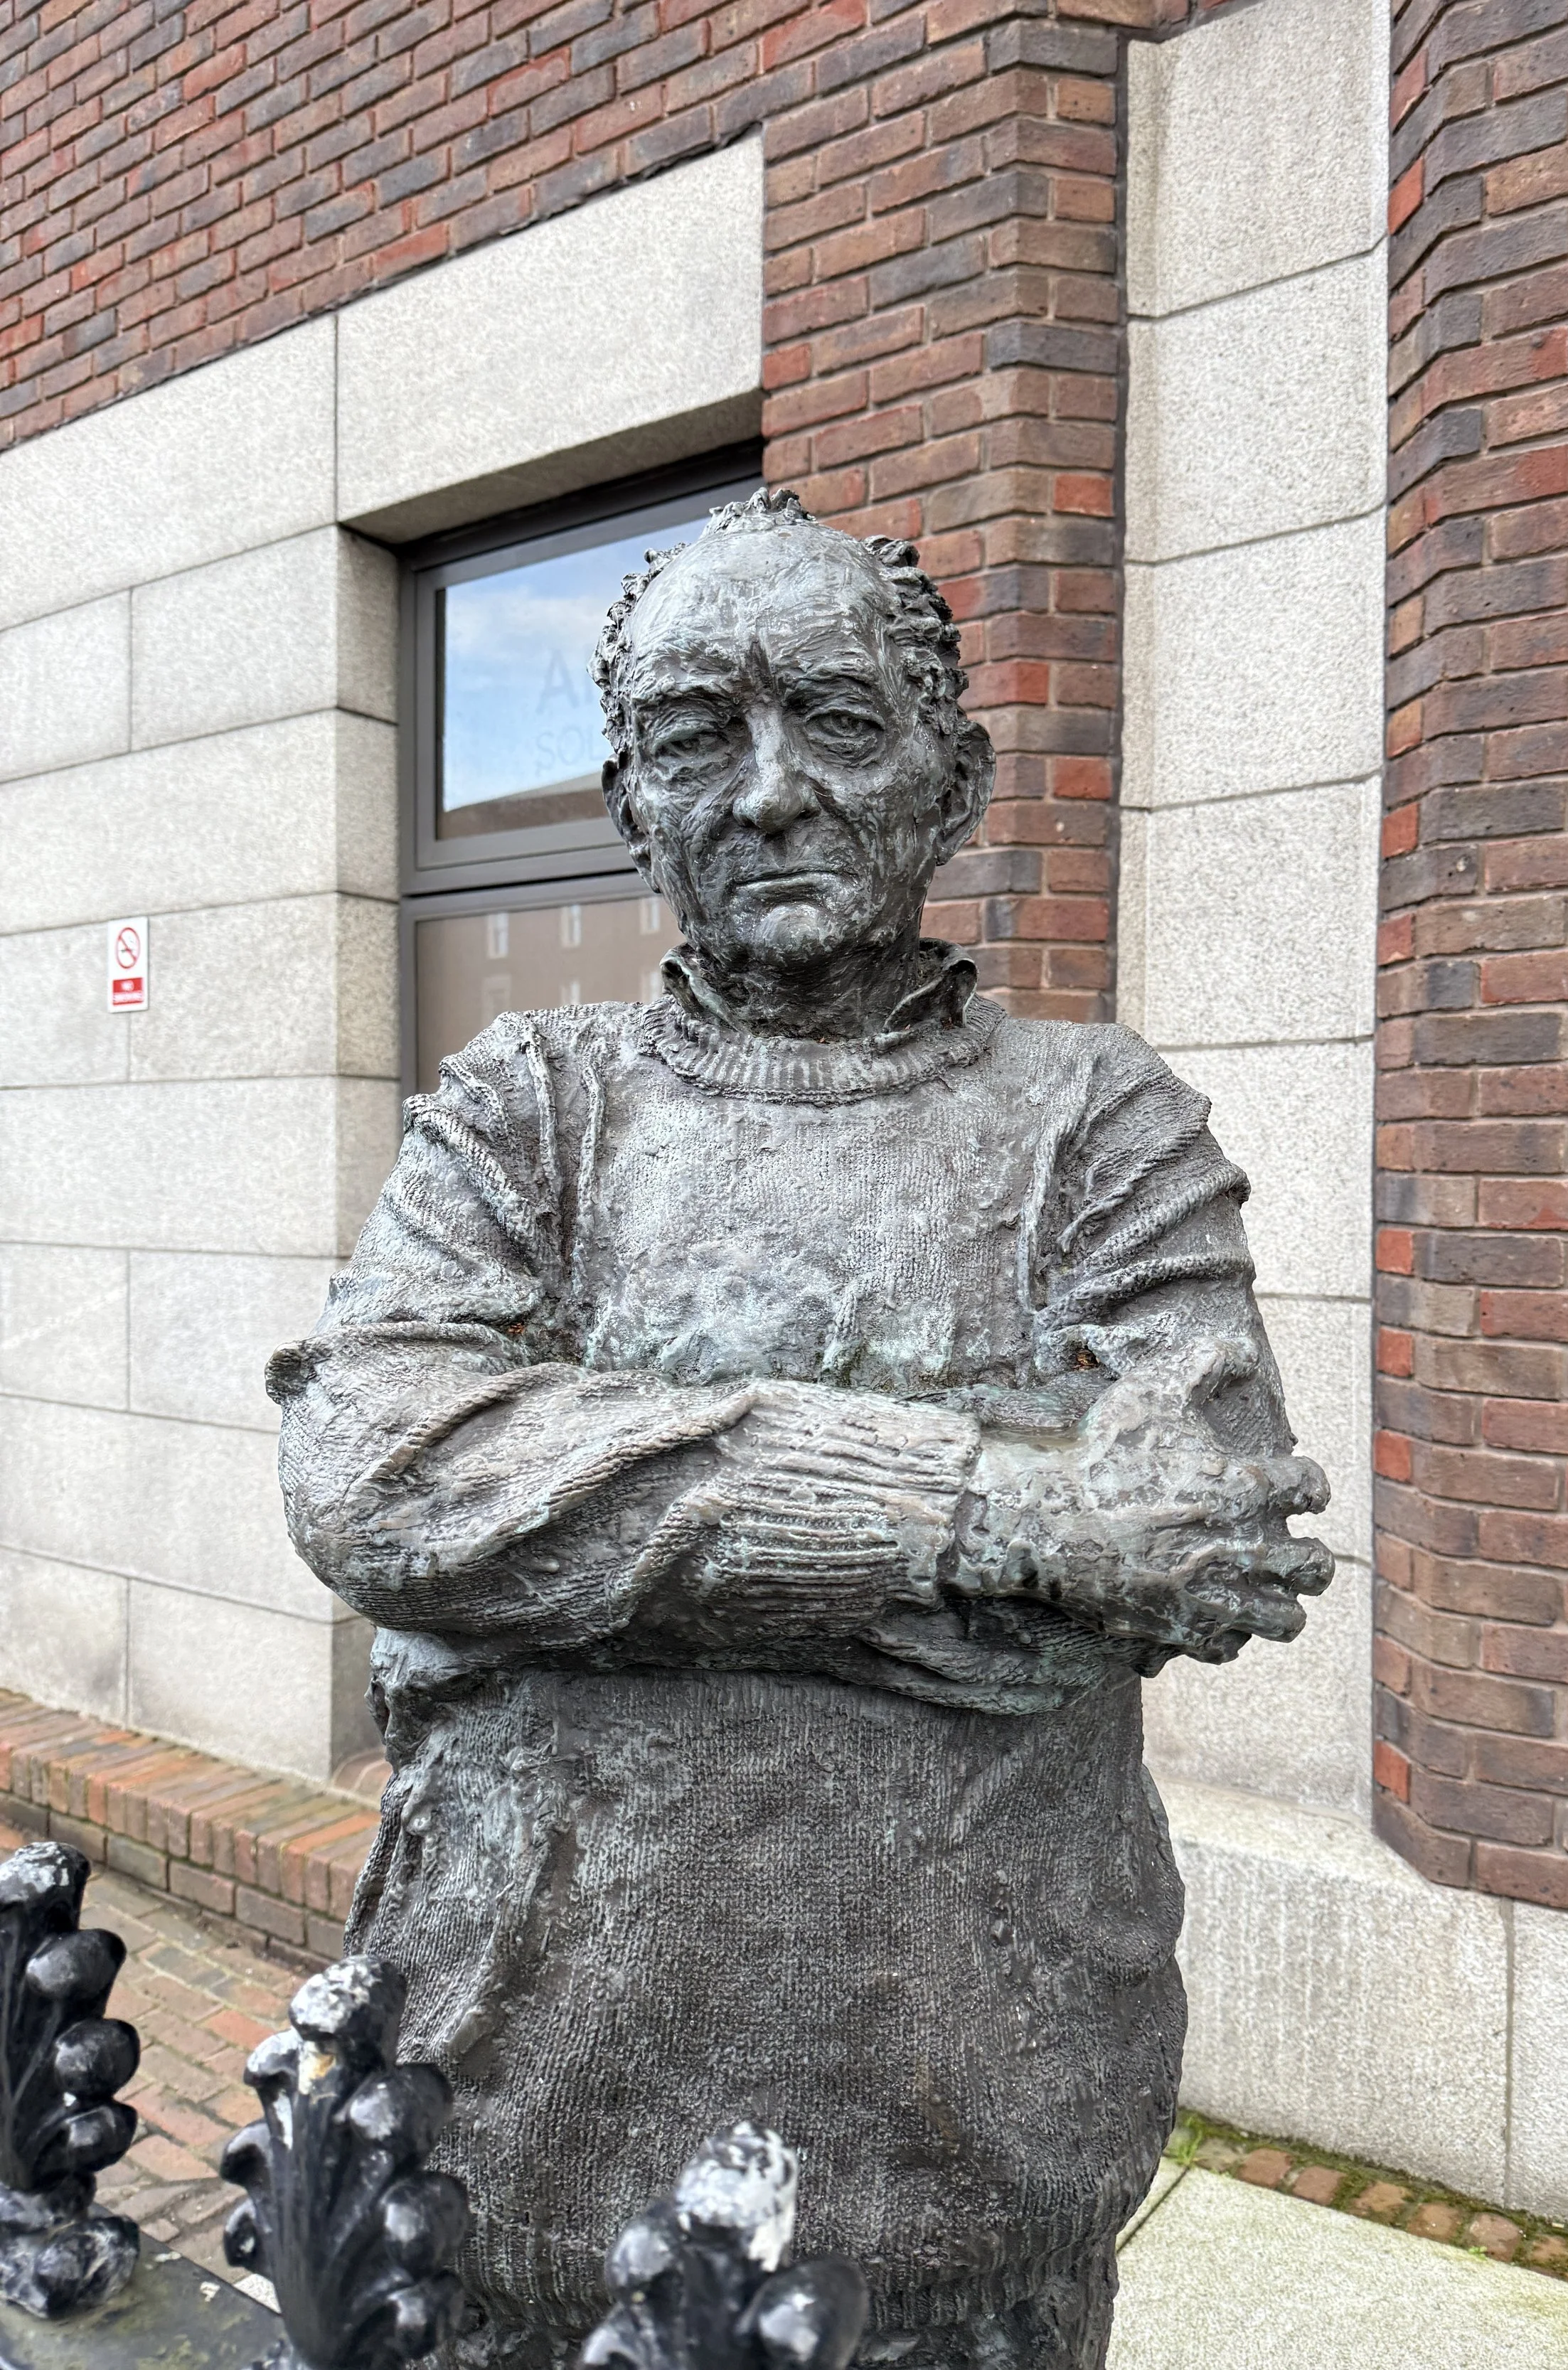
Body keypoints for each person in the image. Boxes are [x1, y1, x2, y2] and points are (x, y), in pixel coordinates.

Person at [270, 488, 1332, 2369]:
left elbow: (1193, 1539)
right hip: (510, 2112)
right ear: (626, 803)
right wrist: (988, 1508)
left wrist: (577, 1563)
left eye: (836, 724)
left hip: (970, 2131)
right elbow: (380, 1472)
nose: (766, 792)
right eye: (696, 737)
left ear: (953, 777)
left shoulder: (1101, 1129)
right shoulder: (530, 1107)